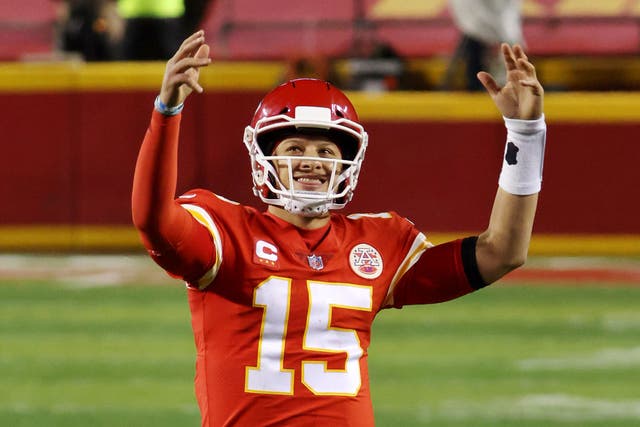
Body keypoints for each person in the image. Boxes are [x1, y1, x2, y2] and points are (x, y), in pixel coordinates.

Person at [132, 30, 546, 426]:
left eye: (325, 150)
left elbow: (502, 252)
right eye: (294, 149)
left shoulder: (377, 243)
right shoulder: (226, 232)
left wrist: (526, 134)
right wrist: (167, 111)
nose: (311, 161)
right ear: (264, 160)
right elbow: (154, 223)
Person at [443, 0, 524, 91]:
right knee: (476, 56)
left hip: (487, 27)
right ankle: (476, 87)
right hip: (476, 28)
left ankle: (483, 85)